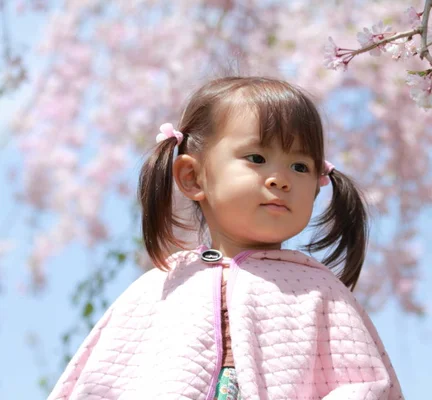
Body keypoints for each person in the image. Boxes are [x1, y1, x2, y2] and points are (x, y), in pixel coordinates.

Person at [47, 76, 404, 400]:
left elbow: (365, 385)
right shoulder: (158, 288)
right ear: (193, 177)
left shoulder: (319, 292)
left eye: (299, 166)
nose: (280, 179)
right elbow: (97, 384)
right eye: (257, 157)